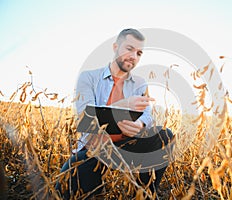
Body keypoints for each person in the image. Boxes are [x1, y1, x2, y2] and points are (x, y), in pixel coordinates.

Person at [55, 28, 173, 199]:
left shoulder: (139, 83)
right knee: (65, 189)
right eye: (129, 49)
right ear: (115, 46)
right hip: (94, 149)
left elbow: (148, 114)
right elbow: (86, 119)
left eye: (139, 53)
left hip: (128, 145)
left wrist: (139, 125)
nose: (134, 56)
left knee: (164, 136)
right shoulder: (88, 78)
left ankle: (143, 193)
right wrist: (125, 104)